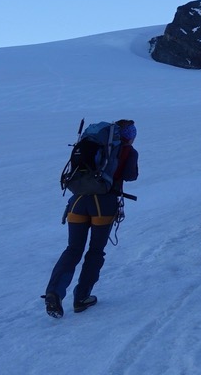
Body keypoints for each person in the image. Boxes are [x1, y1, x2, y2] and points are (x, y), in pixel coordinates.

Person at [44, 119, 139, 318]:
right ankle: (81, 297)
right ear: (129, 136)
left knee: (73, 248)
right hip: (103, 204)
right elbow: (131, 175)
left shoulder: (92, 146)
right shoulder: (128, 151)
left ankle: (54, 291)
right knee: (95, 251)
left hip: (78, 201)